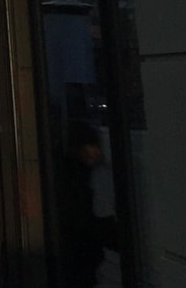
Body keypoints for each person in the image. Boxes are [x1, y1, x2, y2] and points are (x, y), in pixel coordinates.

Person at [56, 119, 119, 287]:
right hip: (83, 252)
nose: (96, 151)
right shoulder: (84, 177)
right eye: (91, 146)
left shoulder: (67, 173)